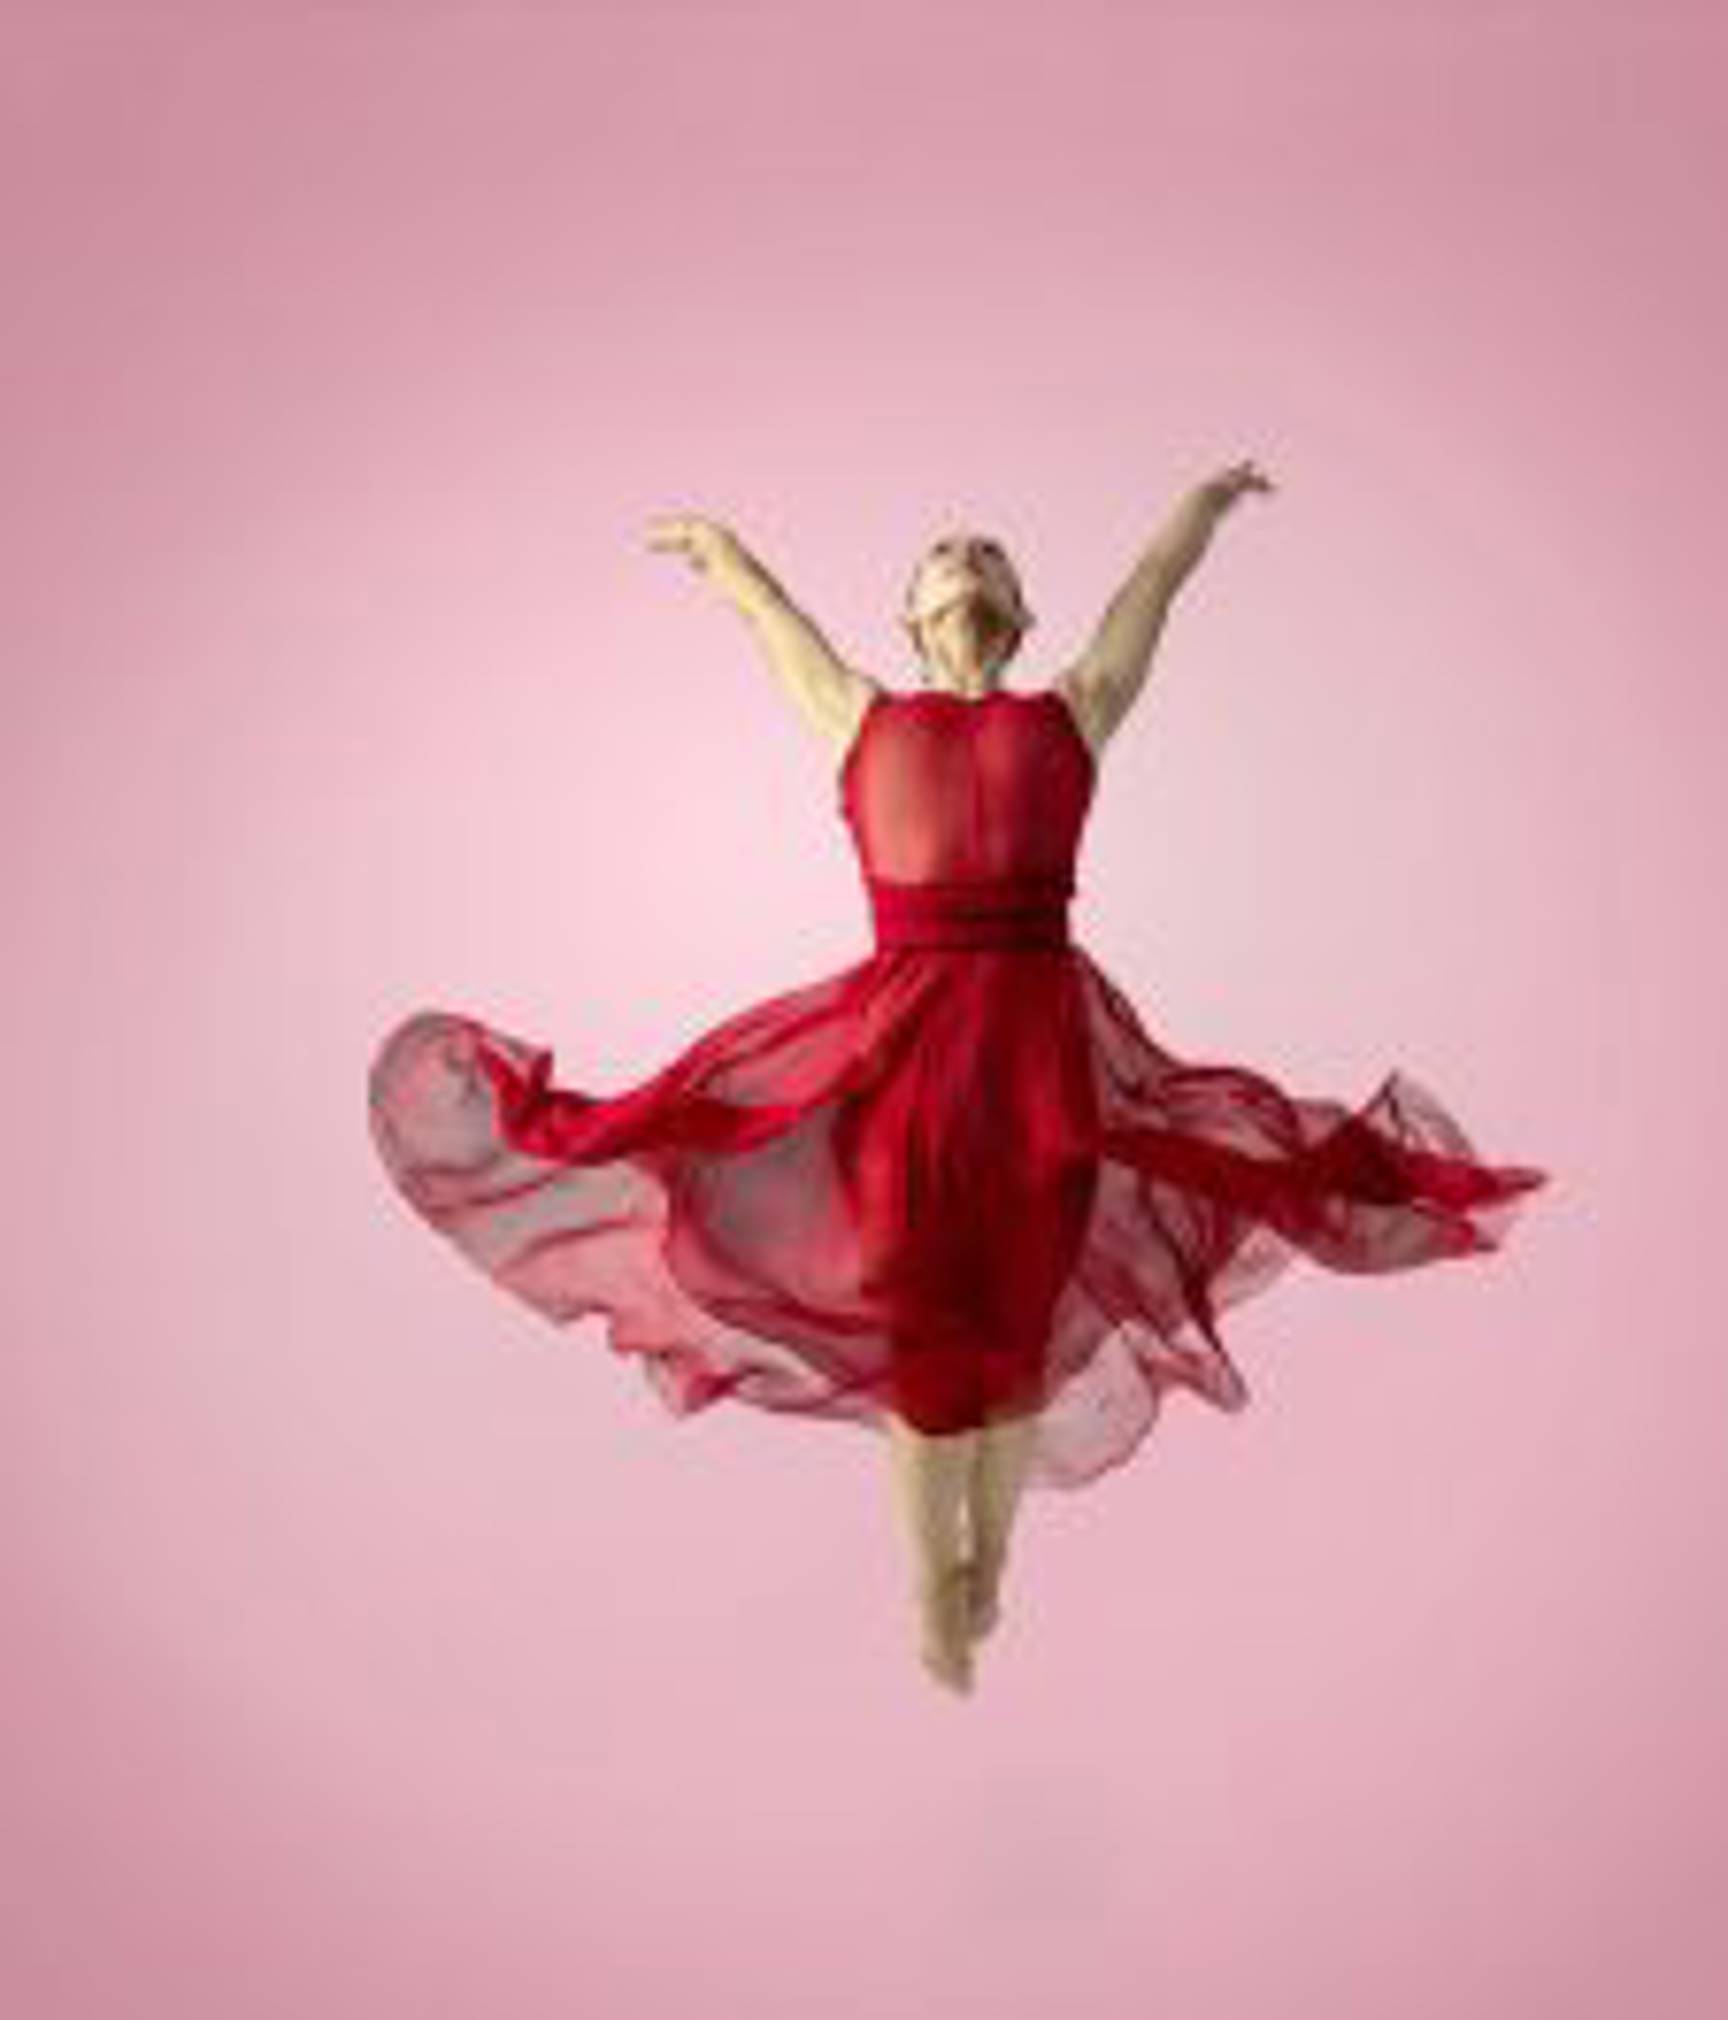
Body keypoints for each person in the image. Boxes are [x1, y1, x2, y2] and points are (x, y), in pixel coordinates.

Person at [367, 456, 1549, 1696]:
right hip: (907, 1064)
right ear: (913, 613)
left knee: (1021, 1328)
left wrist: (1198, 511)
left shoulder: (1073, 711)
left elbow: (1150, 586)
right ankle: (937, 1586)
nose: (969, 558)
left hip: (1041, 1062)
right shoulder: (864, 719)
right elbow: (781, 629)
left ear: (1025, 617)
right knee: (933, 1345)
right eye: (947, 551)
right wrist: (726, 556)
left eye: (992, 552)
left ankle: (994, 1561)